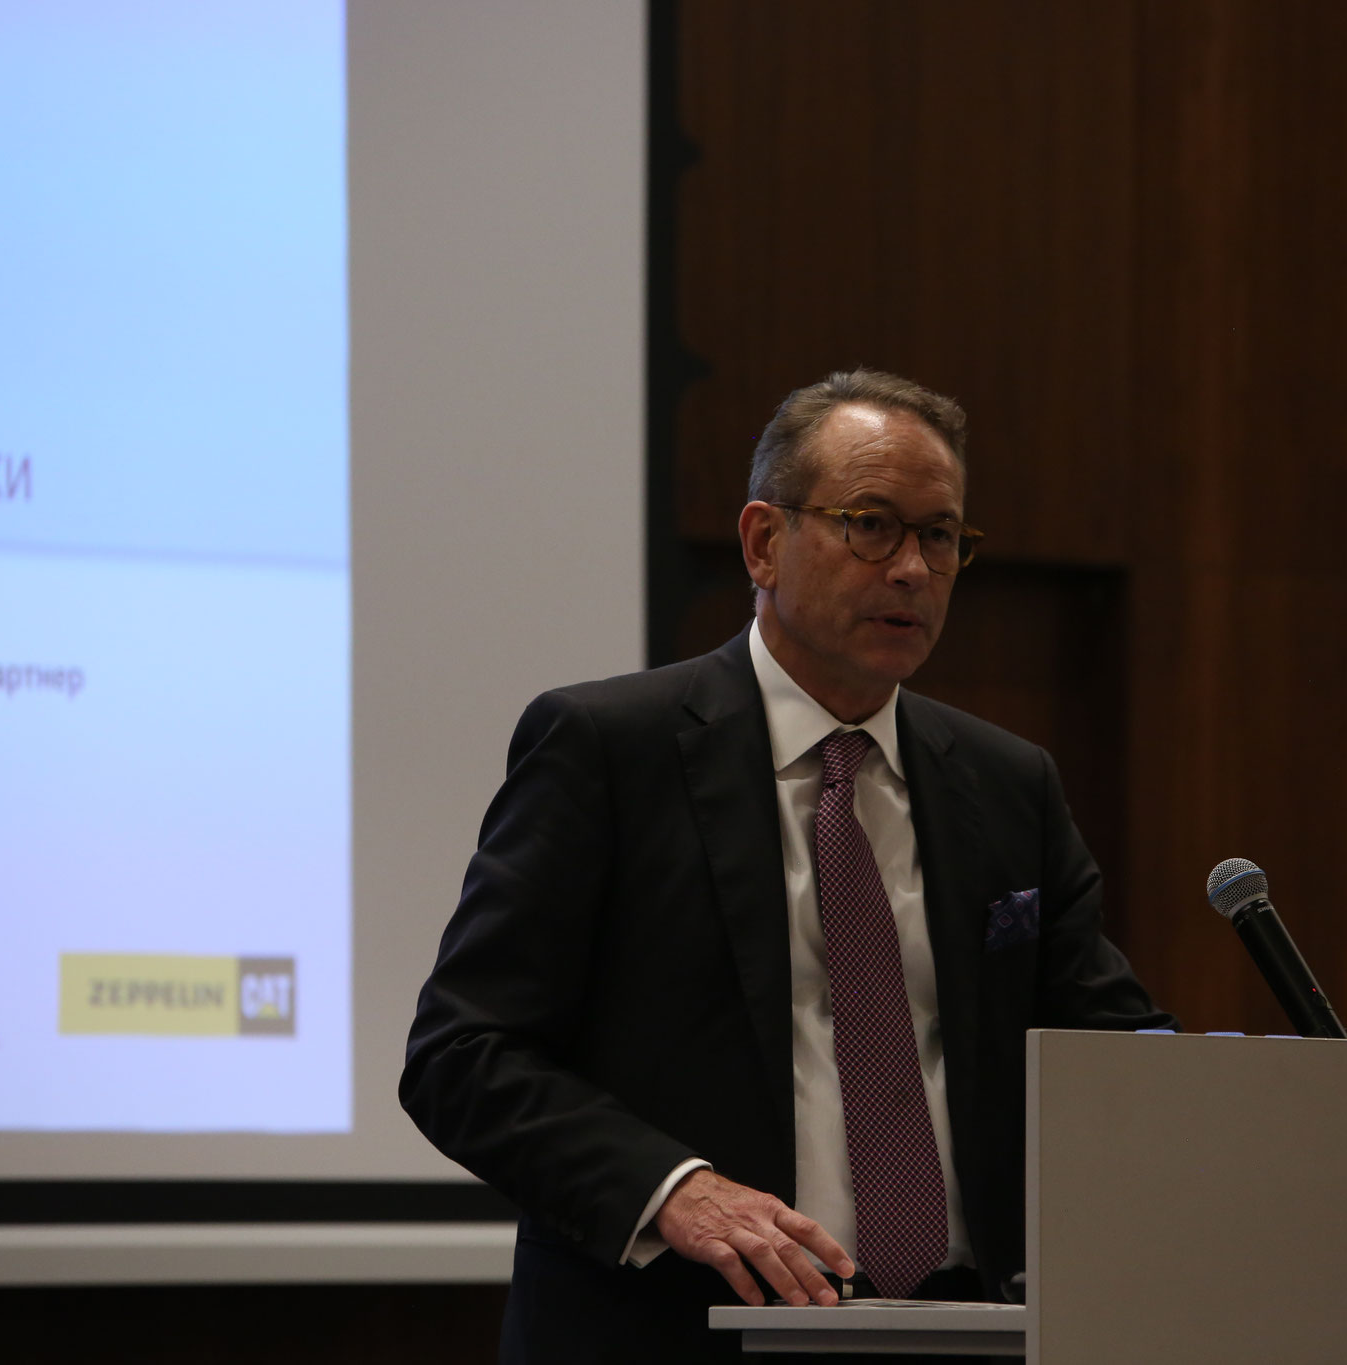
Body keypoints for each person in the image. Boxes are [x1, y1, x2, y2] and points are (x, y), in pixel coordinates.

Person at [401, 369, 1174, 1363]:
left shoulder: (1006, 784)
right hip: (680, 1328)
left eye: (940, 536)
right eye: (871, 525)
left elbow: (1109, 1051)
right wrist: (673, 1189)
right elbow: (463, 1054)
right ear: (764, 541)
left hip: (966, 1331)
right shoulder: (609, 750)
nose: (912, 569)